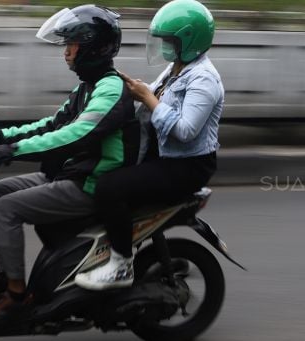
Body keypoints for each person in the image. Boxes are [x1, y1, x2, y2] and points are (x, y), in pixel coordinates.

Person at [0, 5, 139, 325]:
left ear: (92, 46)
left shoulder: (110, 88)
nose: (66, 52)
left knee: (8, 208)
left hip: (90, 182)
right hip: (70, 172)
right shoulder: (86, 87)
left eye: (71, 45)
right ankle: (6, 275)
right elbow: (52, 125)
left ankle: (18, 296)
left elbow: (76, 135)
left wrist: (14, 150)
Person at [75, 0, 224, 290]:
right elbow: (149, 97)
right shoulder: (176, 68)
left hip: (185, 167)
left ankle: (120, 264)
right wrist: (125, 88)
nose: (165, 46)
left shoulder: (204, 80)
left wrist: (148, 98)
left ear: (189, 40)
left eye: (170, 40)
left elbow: (185, 130)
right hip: (162, 157)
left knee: (110, 187)